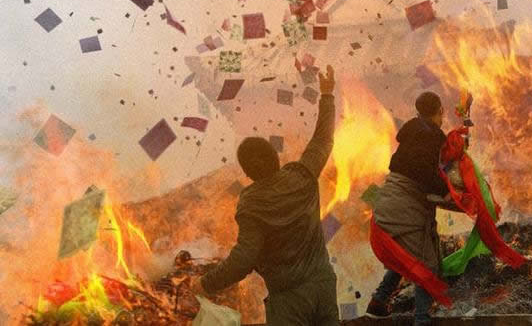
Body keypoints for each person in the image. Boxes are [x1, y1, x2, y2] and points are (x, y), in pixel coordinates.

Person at [190, 65, 338, 326]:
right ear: (276, 158)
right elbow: (323, 140)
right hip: (324, 284)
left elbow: (244, 258)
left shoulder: (252, 204)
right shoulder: (302, 176)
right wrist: (327, 94)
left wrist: (205, 284)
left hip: (289, 300)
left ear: (247, 172)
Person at [365, 91, 452, 326]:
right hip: (403, 205)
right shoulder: (431, 135)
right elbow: (424, 171)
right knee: (426, 265)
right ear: (440, 111)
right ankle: (422, 320)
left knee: (405, 256)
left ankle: (378, 301)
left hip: (389, 202)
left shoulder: (412, 133)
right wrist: (447, 191)